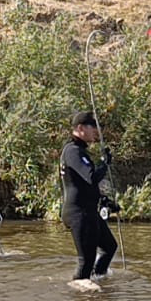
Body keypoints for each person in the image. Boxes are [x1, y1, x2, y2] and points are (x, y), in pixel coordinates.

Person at [60, 111, 120, 288]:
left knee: (109, 247)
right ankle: (80, 296)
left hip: (88, 211)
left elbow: (85, 186)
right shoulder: (72, 151)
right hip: (78, 213)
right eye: (93, 127)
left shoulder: (80, 151)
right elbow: (91, 177)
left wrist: (104, 200)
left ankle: (98, 278)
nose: (96, 132)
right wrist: (104, 163)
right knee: (86, 260)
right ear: (80, 128)